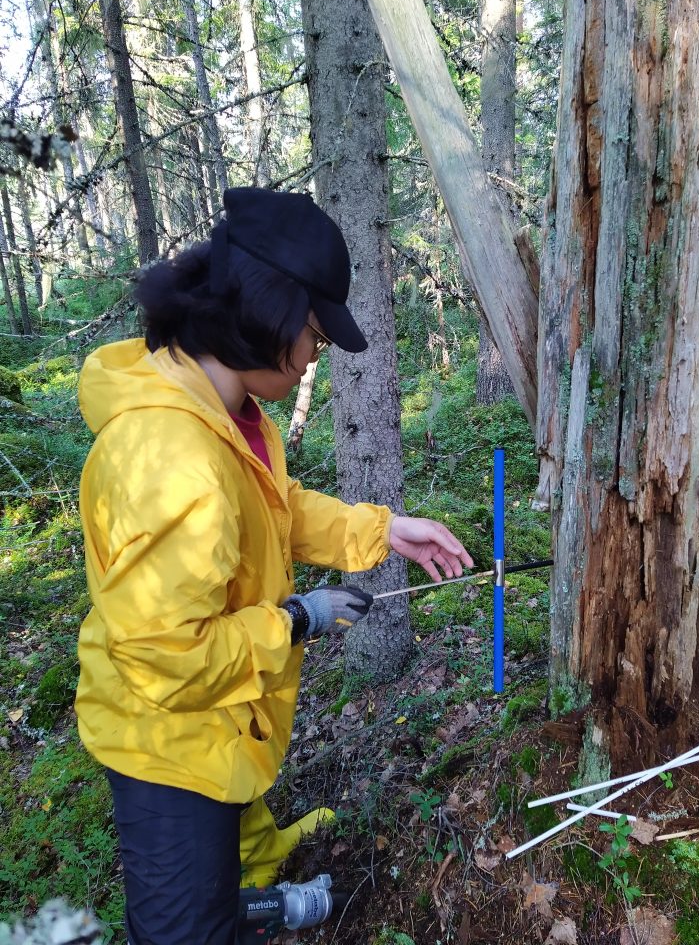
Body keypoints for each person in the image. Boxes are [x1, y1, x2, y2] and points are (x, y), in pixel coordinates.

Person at [75, 187, 473, 945]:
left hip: (223, 718)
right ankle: (240, 912)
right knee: (182, 933)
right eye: (316, 335)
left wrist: (386, 532)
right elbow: (167, 658)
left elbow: (271, 508)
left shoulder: (223, 409)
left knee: (238, 810)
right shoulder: (170, 459)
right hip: (164, 745)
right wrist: (296, 619)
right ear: (271, 317)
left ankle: (261, 880)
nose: (317, 355)